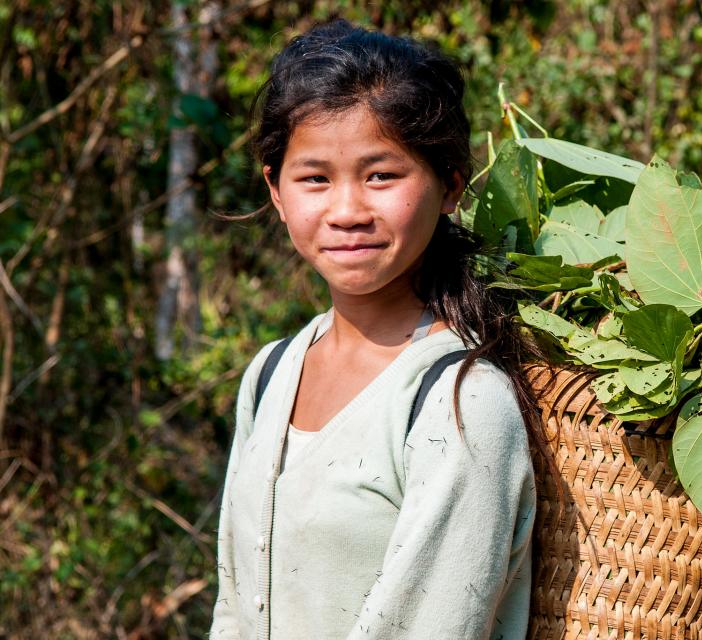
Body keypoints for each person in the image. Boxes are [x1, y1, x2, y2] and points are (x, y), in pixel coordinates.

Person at [210, 20, 547, 640]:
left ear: (449, 185)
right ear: (276, 190)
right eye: (315, 177)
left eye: (381, 176)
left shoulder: (461, 402)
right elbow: (235, 608)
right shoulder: (272, 371)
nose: (346, 211)